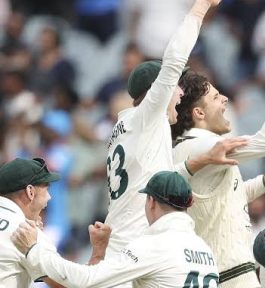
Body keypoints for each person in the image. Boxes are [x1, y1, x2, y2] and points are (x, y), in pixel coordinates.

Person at [103, 0, 247, 281]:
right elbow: (174, 60)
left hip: (124, 241)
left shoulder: (127, 126)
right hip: (137, 243)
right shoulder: (147, 116)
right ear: (155, 92)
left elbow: (151, 178)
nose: (180, 95)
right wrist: (201, 8)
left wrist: (199, 162)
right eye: (175, 88)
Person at [171, 57, 265, 287]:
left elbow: (226, 197)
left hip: (215, 273)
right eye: (215, 97)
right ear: (199, 113)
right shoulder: (204, 145)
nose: (225, 99)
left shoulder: (187, 148)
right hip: (232, 274)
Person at [12, 171, 220, 287]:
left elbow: (86, 281)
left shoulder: (153, 246)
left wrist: (34, 249)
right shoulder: (205, 249)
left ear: (151, 202)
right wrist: (100, 251)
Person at [0, 157, 109, 288]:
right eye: (47, 189)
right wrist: (99, 251)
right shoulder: (26, 234)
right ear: (30, 192)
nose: (49, 197)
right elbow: (79, 285)